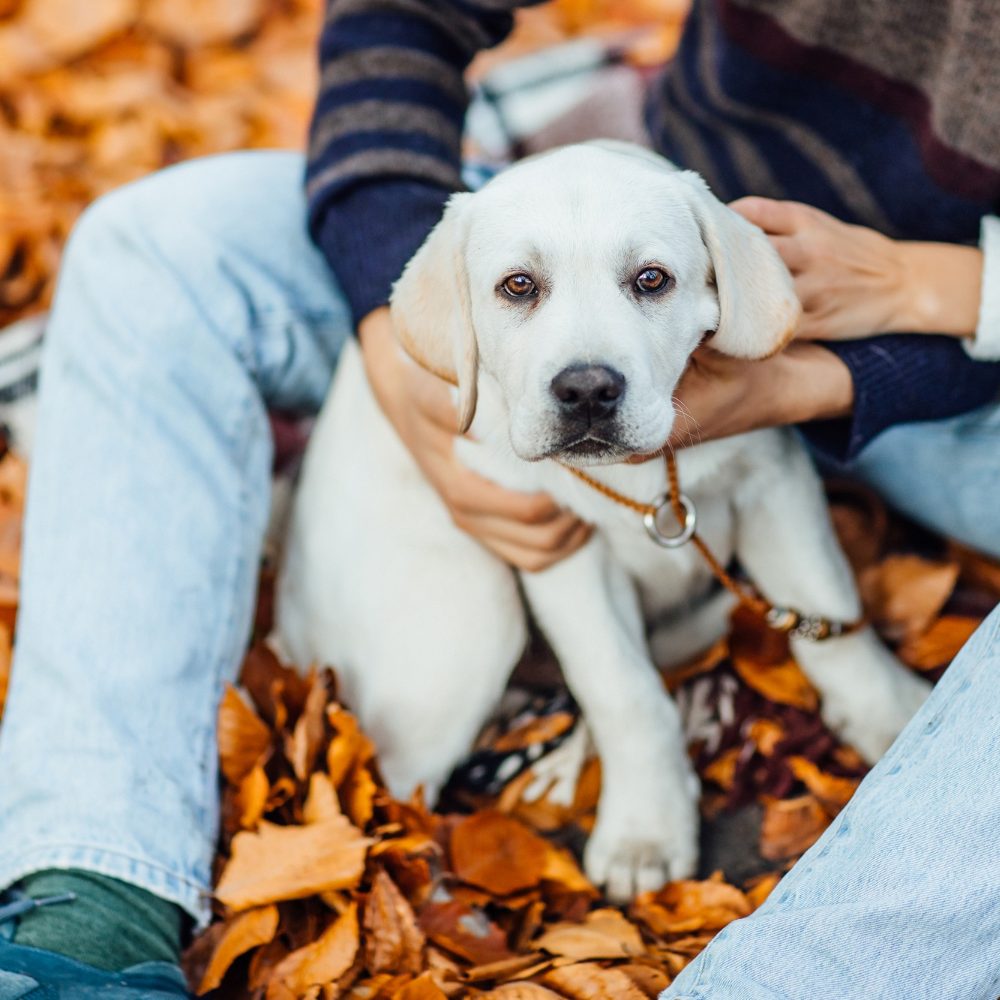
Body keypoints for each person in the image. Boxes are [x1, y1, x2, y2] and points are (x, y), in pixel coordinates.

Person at [0, 0, 998, 995]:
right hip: (667, 224)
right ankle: (92, 903)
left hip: (950, 362)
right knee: (149, 242)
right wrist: (391, 323)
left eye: (643, 284)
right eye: (514, 294)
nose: (581, 377)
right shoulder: (569, 266)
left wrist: (899, 318)